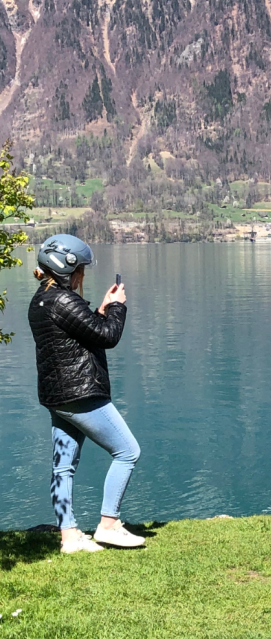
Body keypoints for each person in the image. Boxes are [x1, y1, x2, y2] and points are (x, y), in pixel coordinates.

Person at [28, 234, 144, 554]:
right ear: (66, 267)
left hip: (57, 396)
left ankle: (70, 537)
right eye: (80, 268)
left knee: (63, 466)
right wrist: (118, 308)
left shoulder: (42, 300)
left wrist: (102, 307)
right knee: (127, 452)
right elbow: (107, 336)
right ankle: (109, 526)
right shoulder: (64, 300)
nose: (82, 275)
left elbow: (81, 329)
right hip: (82, 395)